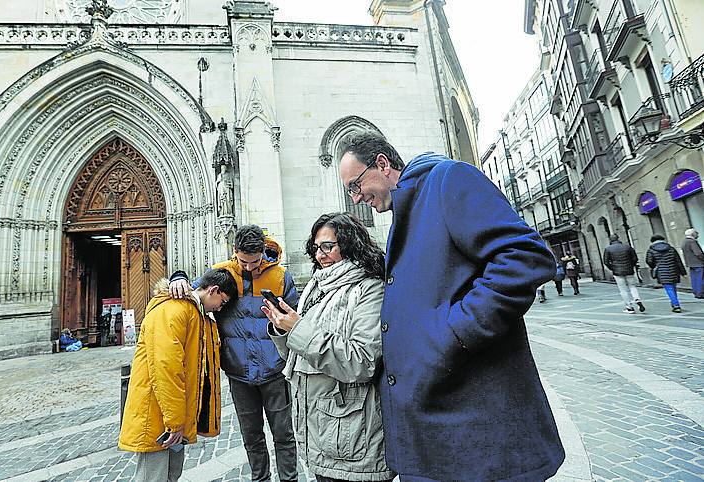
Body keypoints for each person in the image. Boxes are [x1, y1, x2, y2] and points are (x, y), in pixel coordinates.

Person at [337, 131, 564, 481]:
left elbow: (524, 257)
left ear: (382, 165)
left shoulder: (446, 180)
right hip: (442, 423)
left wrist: (455, 333)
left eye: (356, 185)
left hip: (477, 423)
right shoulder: (406, 209)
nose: (355, 198)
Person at [262, 212, 396, 482]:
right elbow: (300, 355)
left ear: (350, 244)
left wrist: (298, 329)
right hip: (319, 431)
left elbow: (362, 361)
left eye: (328, 246)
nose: (320, 254)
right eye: (316, 247)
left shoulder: (369, 289)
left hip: (352, 437)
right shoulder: (317, 286)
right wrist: (282, 328)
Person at [168, 225, 299, 482]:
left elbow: (295, 319)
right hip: (239, 373)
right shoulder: (221, 274)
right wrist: (178, 277)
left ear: (264, 252)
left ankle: (289, 479)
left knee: (284, 435)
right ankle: (260, 479)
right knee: (251, 436)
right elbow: (193, 294)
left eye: (255, 261)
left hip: (274, 372)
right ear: (234, 251)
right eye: (243, 261)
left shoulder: (282, 276)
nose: (249, 267)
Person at [118, 269, 237, 482]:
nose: (221, 308)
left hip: (173, 416)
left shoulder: (197, 314)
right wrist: (174, 422)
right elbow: (167, 369)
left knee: (171, 475)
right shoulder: (174, 310)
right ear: (214, 290)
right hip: (158, 415)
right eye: (223, 301)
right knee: (152, 477)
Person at [603, 234, 645, 313]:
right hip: (629, 270)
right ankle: (637, 299)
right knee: (632, 286)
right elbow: (635, 258)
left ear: (610, 240)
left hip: (617, 272)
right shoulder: (627, 247)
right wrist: (631, 265)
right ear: (618, 238)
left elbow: (606, 262)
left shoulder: (608, 249)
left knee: (623, 289)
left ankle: (629, 307)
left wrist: (613, 268)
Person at [646, 234, 687, 313]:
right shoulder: (671, 249)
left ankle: (676, 305)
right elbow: (678, 261)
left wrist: (654, 266)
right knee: (673, 287)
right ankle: (674, 302)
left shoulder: (651, 250)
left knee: (669, 288)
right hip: (673, 270)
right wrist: (683, 272)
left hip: (662, 272)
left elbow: (649, 261)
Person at [681, 228, 704, 298]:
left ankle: (696, 292)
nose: (698, 235)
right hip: (698, 263)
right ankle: (700, 293)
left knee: (694, 279)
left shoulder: (684, 241)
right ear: (693, 234)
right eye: (696, 233)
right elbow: (698, 253)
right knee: (700, 278)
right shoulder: (692, 242)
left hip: (690, 263)